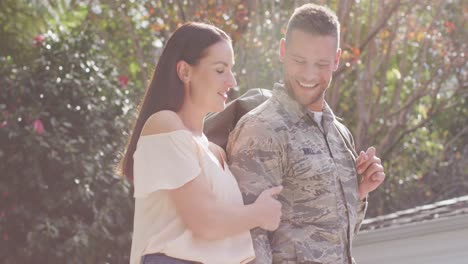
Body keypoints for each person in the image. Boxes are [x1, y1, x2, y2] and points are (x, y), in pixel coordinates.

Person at [226, 4, 385, 264]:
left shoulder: (339, 133)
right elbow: (248, 238)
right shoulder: (262, 130)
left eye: (321, 63)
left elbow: (336, 239)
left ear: (336, 60)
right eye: (299, 61)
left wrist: (360, 193)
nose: (309, 74)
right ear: (282, 51)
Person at [119, 22, 283, 264]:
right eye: (220, 70)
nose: (232, 81)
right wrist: (259, 214)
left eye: (231, 70)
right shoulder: (163, 125)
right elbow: (206, 222)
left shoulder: (214, 150)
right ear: (185, 72)